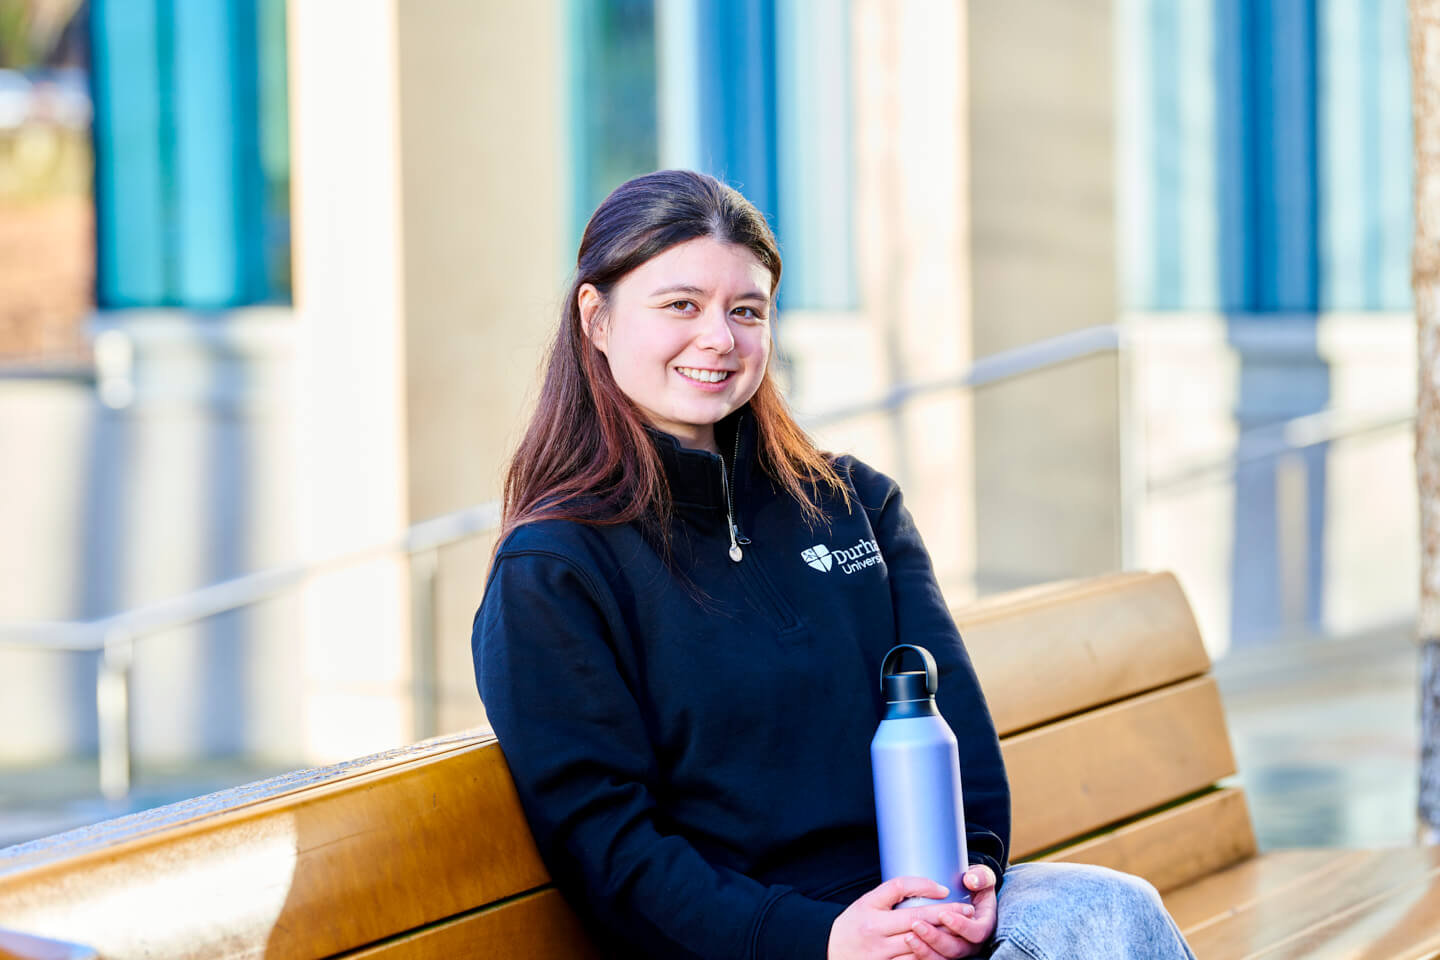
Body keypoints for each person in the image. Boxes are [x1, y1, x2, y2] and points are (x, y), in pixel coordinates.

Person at [471, 170, 1196, 960]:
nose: (719, 338)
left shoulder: (853, 502)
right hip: (764, 943)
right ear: (597, 317)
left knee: (1111, 912)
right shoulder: (555, 570)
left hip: (924, 911)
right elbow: (608, 849)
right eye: (681, 305)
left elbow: (954, 726)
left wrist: (974, 878)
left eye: (746, 310)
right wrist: (824, 938)